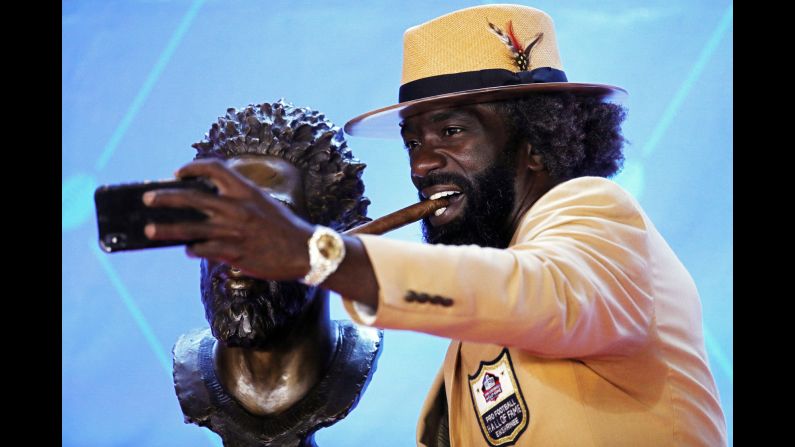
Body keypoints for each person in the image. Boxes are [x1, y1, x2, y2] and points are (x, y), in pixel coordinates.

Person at [145, 5, 727, 446]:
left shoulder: (595, 212)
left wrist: (315, 256)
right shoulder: (471, 335)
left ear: (536, 144)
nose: (422, 164)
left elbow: (537, 290)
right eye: (413, 141)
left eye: (451, 132)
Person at [169, 100, 382, 447]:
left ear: (332, 241)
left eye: (266, 221)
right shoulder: (192, 365)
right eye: (219, 218)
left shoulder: (357, 350)